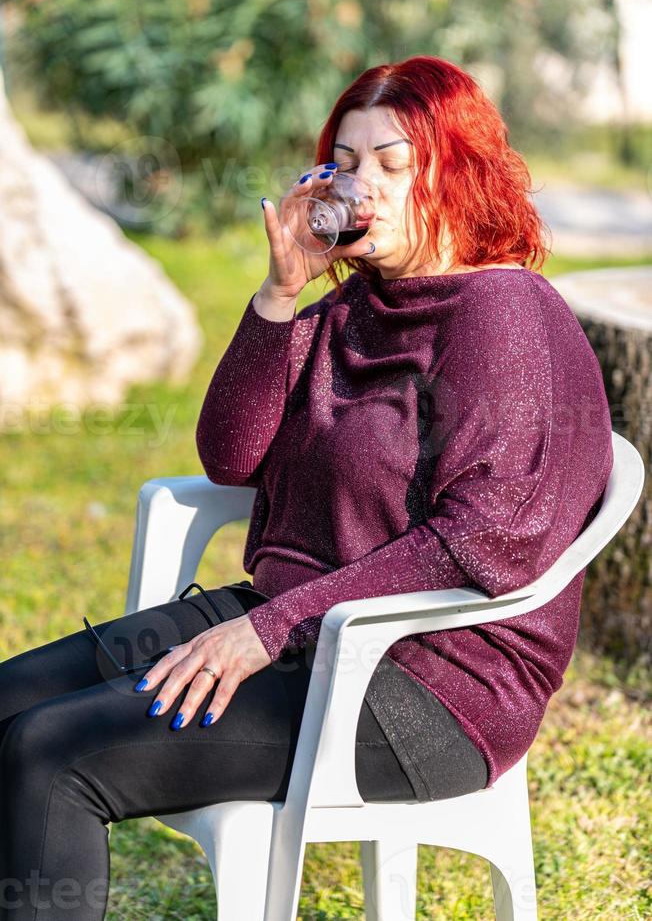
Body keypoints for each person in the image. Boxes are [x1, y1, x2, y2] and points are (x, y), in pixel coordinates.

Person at [0, 55, 613, 920]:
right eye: (346, 160)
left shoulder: (499, 314)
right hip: (292, 624)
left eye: (392, 163)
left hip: (425, 679)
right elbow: (229, 455)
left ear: (458, 175)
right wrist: (281, 292)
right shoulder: (352, 304)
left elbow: (483, 540)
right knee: (7, 707)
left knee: (52, 754)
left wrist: (270, 627)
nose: (360, 185)